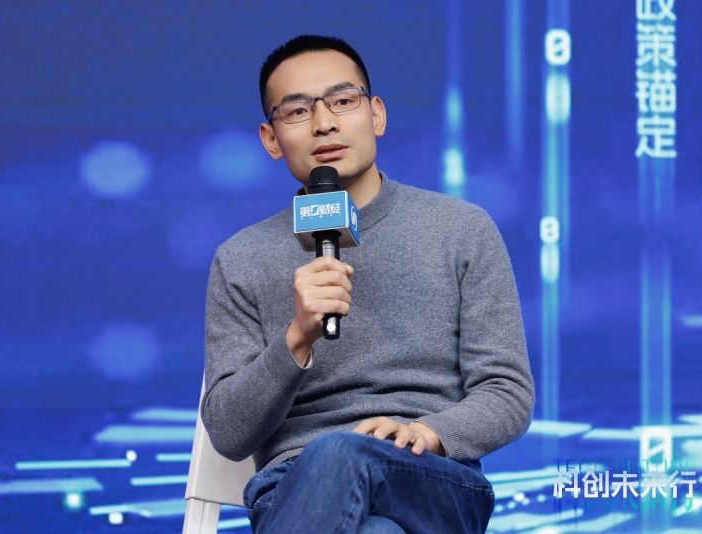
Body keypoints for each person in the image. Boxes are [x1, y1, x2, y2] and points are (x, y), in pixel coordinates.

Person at [202, 34, 535, 533]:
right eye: (297, 111)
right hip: (292, 487)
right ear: (271, 139)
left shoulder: (461, 229)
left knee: (341, 452)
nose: (324, 123)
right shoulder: (240, 259)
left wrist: (423, 432)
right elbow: (229, 433)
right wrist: (296, 338)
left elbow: (506, 392)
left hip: (432, 477)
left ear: (375, 114)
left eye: (342, 101)